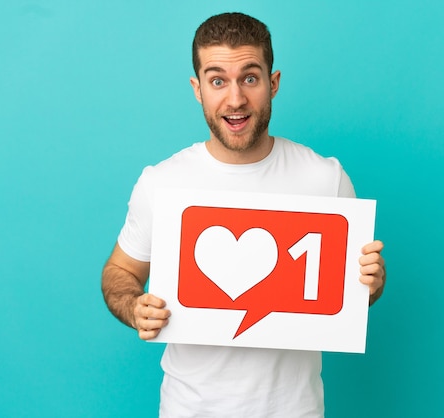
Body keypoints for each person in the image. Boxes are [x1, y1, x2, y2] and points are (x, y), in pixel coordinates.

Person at [101, 12, 386, 417]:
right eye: (217, 80)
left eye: (249, 78)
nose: (235, 99)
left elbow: (358, 295)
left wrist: (372, 282)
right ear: (198, 89)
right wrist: (134, 308)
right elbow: (119, 272)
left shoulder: (326, 178)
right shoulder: (161, 183)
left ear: (273, 83)